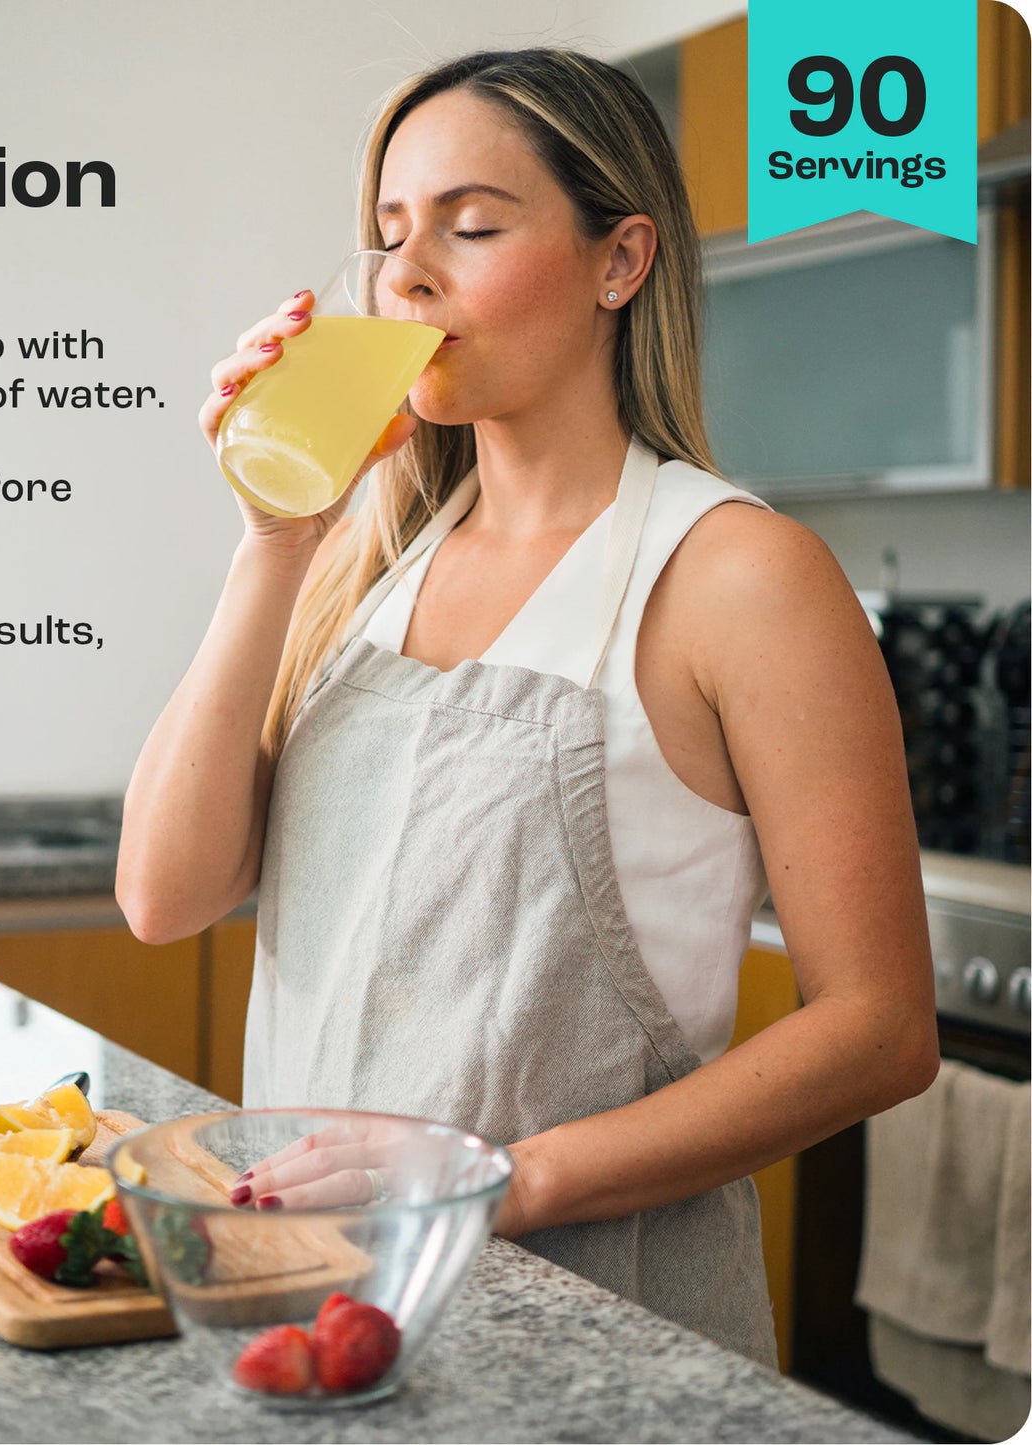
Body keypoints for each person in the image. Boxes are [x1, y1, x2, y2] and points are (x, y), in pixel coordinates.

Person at [115, 48, 939, 1366]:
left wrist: (500, 1178)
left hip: (599, 1333)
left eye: (472, 225)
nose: (409, 276)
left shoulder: (735, 576)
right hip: (317, 1301)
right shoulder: (360, 560)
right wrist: (271, 537)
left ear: (619, 262)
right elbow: (165, 895)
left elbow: (880, 1028)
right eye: (388, 238)